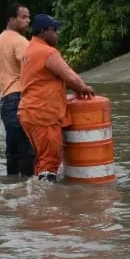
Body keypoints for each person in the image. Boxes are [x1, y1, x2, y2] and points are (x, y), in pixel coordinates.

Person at [18, 14, 96, 181]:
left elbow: (47, 79)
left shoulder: (29, 51)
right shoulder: (47, 52)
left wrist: (75, 86)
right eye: (55, 30)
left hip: (29, 113)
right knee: (50, 160)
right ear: (44, 32)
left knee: (42, 158)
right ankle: (48, 202)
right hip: (43, 115)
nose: (58, 33)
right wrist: (83, 87)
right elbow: (68, 75)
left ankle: (38, 195)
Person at [0, 3, 34, 177]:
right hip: (19, 97)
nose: (28, 21)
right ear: (12, 19)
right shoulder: (20, 41)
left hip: (6, 99)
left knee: (12, 150)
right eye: (23, 17)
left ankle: (13, 190)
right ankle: (28, 191)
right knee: (27, 148)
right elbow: (31, 69)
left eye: (29, 17)